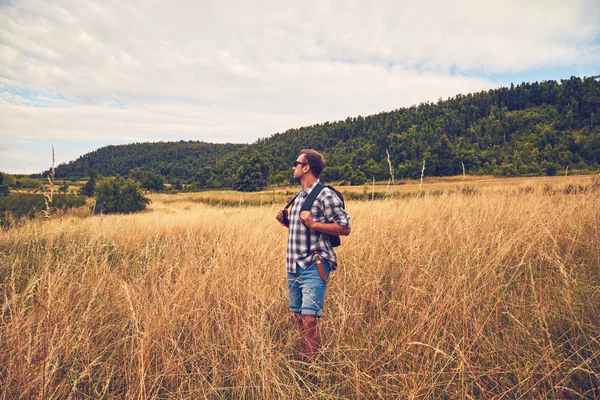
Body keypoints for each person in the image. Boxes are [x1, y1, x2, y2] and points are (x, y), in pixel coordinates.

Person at [275, 149, 351, 360]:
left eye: (296, 163)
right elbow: (302, 230)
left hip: (314, 265)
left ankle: (313, 365)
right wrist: (286, 222)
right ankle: (303, 360)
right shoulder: (299, 196)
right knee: (299, 318)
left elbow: (345, 228)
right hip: (293, 266)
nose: (294, 167)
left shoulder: (326, 194)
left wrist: (314, 223)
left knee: (310, 320)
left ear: (306, 167)